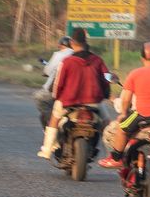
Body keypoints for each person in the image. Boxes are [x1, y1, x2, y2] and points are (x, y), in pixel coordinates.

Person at [98, 41, 150, 169]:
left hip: (143, 114)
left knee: (122, 129)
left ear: (142, 58)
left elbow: (126, 99)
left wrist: (123, 113)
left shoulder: (135, 73)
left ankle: (116, 158)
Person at [37, 28, 110, 159]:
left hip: (69, 101)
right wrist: (104, 95)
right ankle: (109, 154)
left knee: (54, 118)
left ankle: (47, 150)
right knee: (106, 123)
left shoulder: (67, 62)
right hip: (94, 101)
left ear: (72, 42)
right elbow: (106, 80)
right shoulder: (97, 60)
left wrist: (56, 96)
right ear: (85, 41)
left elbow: (58, 84)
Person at [33, 36, 74, 127]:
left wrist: (46, 71)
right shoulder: (78, 55)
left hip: (58, 90)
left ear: (62, 45)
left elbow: (48, 70)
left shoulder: (59, 54)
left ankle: (52, 122)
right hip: (76, 91)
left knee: (39, 98)